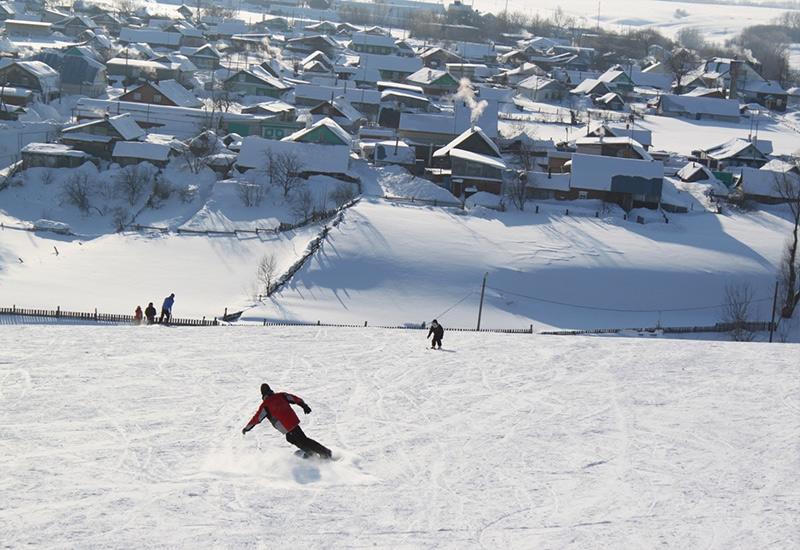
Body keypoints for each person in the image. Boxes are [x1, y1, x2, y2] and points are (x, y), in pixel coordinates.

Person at [242, 383, 332, 459]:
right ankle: (310, 452)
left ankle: (324, 452)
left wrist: (247, 428)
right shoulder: (281, 395)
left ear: (263, 395)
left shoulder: (265, 405)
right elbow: (294, 398)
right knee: (292, 438)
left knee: (303, 440)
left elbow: (256, 418)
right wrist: (304, 405)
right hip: (293, 420)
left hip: (286, 425)